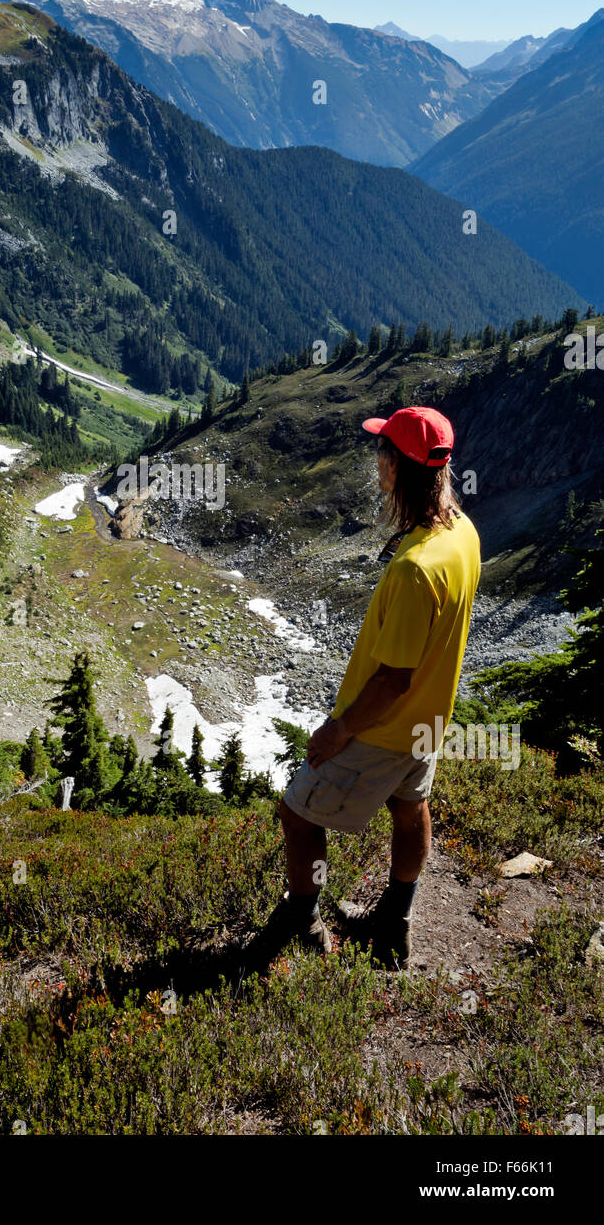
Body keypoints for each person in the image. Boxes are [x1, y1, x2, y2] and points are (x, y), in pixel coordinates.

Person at [255, 406, 481, 971]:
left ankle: (305, 918)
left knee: (298, 814)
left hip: (383, 730)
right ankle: (393, 922)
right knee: (412, 808)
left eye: (382, 451)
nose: (376, 460)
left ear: (398, 467)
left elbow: (392, 679)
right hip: (430, 723)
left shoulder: (413, 570)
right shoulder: (464, 534)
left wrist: (339, 730)